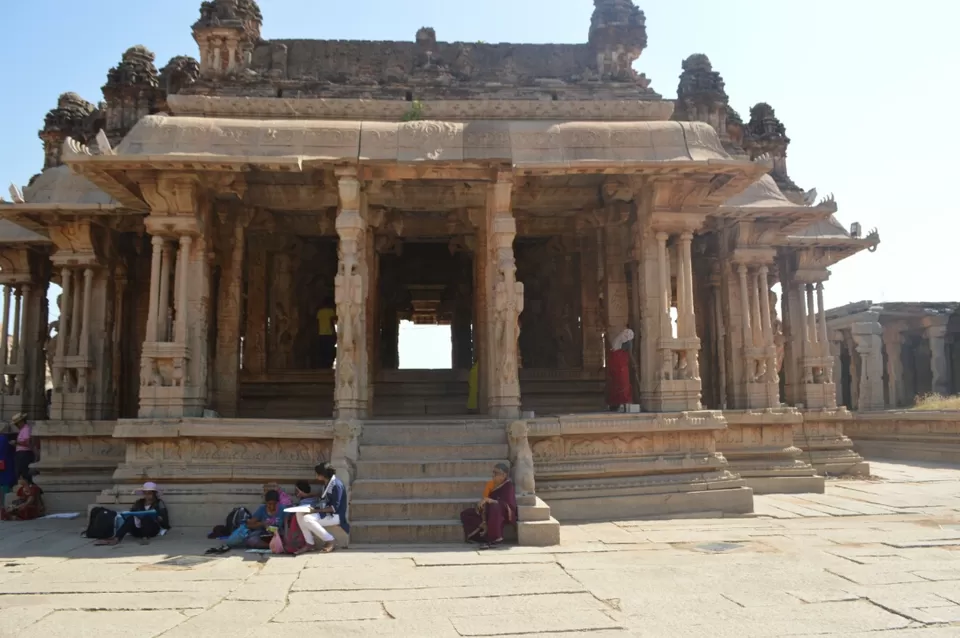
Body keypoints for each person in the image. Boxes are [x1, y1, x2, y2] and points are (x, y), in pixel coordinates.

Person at [294, 464, 349, 554]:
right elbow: (322, 495)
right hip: (325, 512)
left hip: (335, 515)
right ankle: (309, 543)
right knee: (299, 513)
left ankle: (330, 540)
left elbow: (334, 508)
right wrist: (307, 495)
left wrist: (315, 511)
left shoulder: (336, 485)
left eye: (317, 474)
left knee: (307, 519)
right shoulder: (328, 483)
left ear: (323, 475)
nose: (316, 476)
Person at [460, 462, 517, 549]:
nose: (493, 475)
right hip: (489, 513)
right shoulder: (492, 484)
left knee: (495, 506)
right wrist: (482, 510)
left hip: (501, 514)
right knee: (466, 513)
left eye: (496, 473)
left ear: (504, 475)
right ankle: (482, 534)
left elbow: (507, 505)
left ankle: (496, 538)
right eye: (493, 472)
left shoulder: (508, 486)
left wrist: (490, 500)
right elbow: (486, 501)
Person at [95, 481, 170, 546]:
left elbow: (165, 522)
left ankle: (145, 538)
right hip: (137, 530)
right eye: (145, 493)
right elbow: (132, 512)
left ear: (154, 494)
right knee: (131, 518)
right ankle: (117, 538)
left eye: (149, 493)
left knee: (147, 517)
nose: (147, 495)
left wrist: (159, 518)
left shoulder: (159, 503)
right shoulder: (139, 502)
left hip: (151, 530)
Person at [606, 329, 634, 411]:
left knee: (616, 383)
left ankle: (616, 403)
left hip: (615, 364)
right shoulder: (626, 340)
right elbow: (630, 354)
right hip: (620, 364)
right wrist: (635, 364)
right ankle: (623, 403)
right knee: (623, 383)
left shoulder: (618, 339)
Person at [7, 413, 35, 480]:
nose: (16, 425)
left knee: (23, 474)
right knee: (21, 473)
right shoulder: (22, 430)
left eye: (17, 424)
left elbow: (27, 443)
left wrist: (16, 442)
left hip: (24, 454)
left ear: (21, 422)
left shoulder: (25, 429)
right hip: (22, 453)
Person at [316, 297, 337, 369]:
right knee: (329, 349)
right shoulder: (331, 311)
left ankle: (323, 364)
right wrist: (334, 331)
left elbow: (317, 323)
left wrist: (317, 332)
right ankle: (328, 363)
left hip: (321, 333)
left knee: (322, 349)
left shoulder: (320, 312)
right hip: (329, 332)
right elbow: (332, 322)